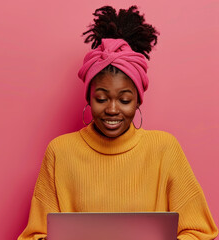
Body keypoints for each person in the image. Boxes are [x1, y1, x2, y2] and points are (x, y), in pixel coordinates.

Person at [17, 5, 218, 240]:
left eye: (124, 100)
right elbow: (34, 235)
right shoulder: (59, 152)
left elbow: (200, 232)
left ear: (138, 101)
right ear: (89, 98)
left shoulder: (164, 149)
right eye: (101, 99)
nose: (112, 110)